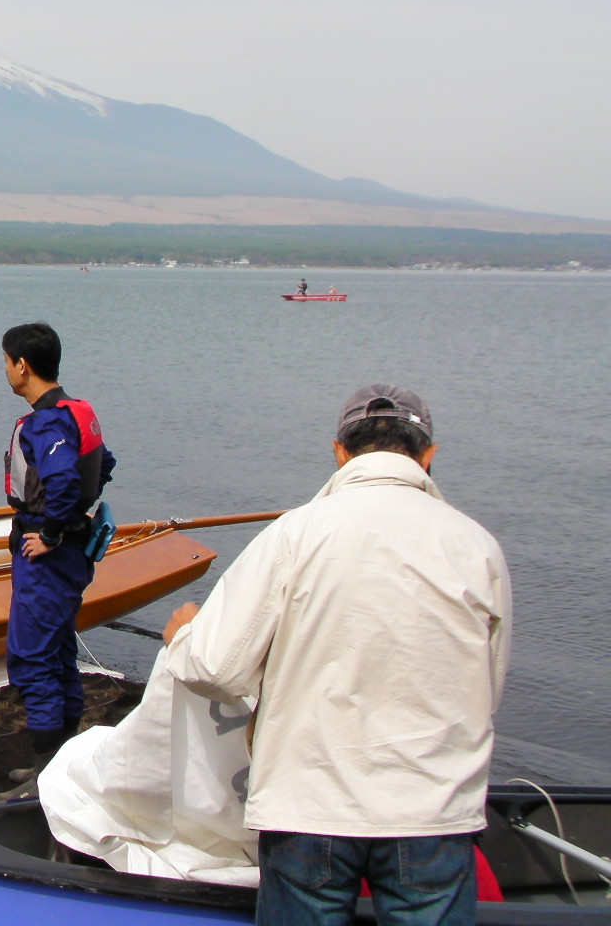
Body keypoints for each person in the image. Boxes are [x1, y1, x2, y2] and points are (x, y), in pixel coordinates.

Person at [162, 385, 510, 926]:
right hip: (433, 812)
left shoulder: (295, 533)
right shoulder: (476, 545)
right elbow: (486, 691)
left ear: (340, 452)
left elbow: (213, 667)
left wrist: (183, 636)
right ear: (428, 456)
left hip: (310, 806)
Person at [0, 322, 115, 801]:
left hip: (47, 556)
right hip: (71, 553)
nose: (4, 370)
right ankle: (61, 766)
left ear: (22, 366)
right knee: (59, 650)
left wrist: (49, 533)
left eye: (5, 361)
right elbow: (104, 465)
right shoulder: (76, 412)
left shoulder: (47, 422)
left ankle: (47, 782)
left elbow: (65, 482)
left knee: (32, 657)